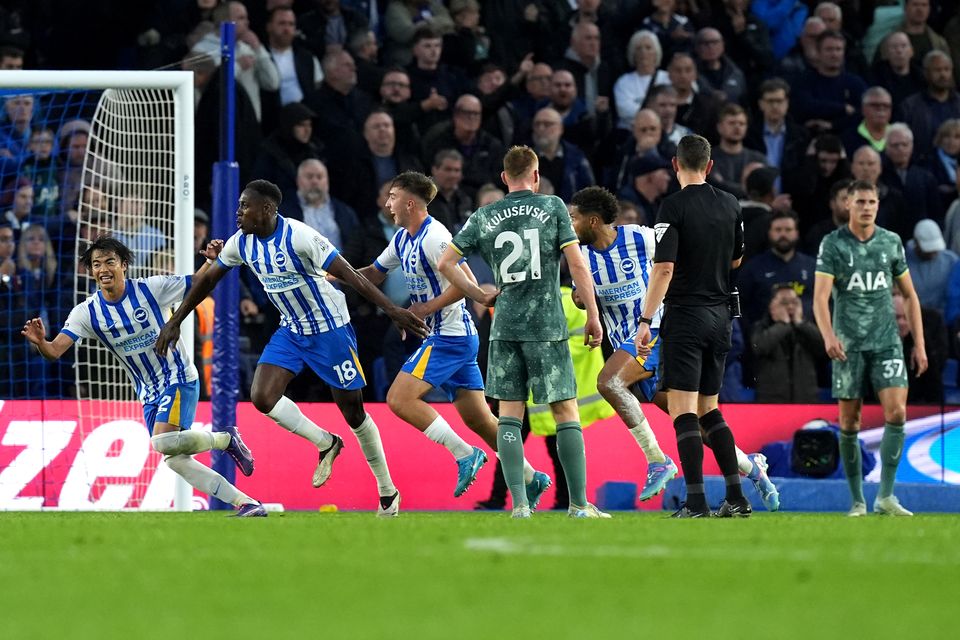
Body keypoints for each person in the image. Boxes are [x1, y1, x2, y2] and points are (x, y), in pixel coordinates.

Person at [155, 180, 428, 517]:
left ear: (267, 209)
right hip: (292, 330)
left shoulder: (301, 236)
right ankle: (326, 442)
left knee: (354, 414)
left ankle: (387, 492)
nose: (238, 213)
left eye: (244, 206)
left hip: (331, 329)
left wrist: (392, 310)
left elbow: (351, 275)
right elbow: (208, 279)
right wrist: (176, 320)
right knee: (262, 397)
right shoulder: (241, 243)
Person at [21, 236, 265, 516]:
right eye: (97, 264)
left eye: (110, 262)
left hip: (178, 376)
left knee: (161, 443)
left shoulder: (151, 289)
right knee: (175, 460)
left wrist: (210, 260)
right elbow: (54, 351)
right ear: (90, 271)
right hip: (148, 392)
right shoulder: (87, 313)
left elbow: (197, 283)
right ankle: (247, 503)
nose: (104, 269)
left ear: (124, 265)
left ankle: (225, 439)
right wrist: (40, 342)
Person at [354, 171, 551, 503]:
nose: (388, 205)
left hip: (450, 336)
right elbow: (374, 273)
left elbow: (462, 280)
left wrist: (430, 306)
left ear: (409, 202)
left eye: (392, 197)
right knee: (481, 419)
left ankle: (463, 454)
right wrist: (331, 273)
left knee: (399, 399)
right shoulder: (403, 238)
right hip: (452, 335)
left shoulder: (435, 238)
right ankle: (531, 477)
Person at [436, 145, 608, 519]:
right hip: (546, 325)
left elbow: (445, 262)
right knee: (565, 411)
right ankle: (578, 505)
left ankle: (520, 506)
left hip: (505, 326)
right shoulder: (553, 208)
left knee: (510, 416)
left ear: (503, 178)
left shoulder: (484, 216)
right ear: (535, 174)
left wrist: (477, 292)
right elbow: (576, 264)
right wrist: (593, 314)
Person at [636, 134, 753, 518]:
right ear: (710, 165)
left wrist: (646, 320)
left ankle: (697, 501)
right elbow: (737, 260)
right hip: (722, 316)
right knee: (710, 409)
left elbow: (664, 267)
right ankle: (736, 497)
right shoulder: (731, 203)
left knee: (683, 411)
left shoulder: (672, 207)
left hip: (685, 314)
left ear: (675, 164)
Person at [813, 179, 928, 516]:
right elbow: (820, 298)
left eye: (871, 202)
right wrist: (828, 336)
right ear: (848, 204)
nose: (866, 208)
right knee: (850, 421)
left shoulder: (891, 243)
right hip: (848, 344)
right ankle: (857, 500)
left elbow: (909, 295)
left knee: (898, 413)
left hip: (887, 342)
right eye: (860, 202)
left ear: (878, 205)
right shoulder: (833, 244)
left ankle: (886, 496)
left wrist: (919, 343)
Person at [568, 186, 679, 499]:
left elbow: (674, 255)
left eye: (573, 217)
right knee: (690, 418)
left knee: (608, 383)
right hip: (624, 346)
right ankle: (751, 468)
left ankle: (658, 461)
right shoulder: (580, 257)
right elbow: (581, 297)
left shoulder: (639, 237)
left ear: (593, 221)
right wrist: (580, 299)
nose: (569, 223)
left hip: (652, 332)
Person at [750, 284, 825, 402]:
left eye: (794, 302)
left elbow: (823, 348)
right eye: (784, 303)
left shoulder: (806, 327)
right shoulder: (760, 327)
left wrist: (800, 323)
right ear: (771, 306)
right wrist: (783, 325)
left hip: (806, 400)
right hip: (771, 401)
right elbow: (759, 347)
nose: (790, 306)